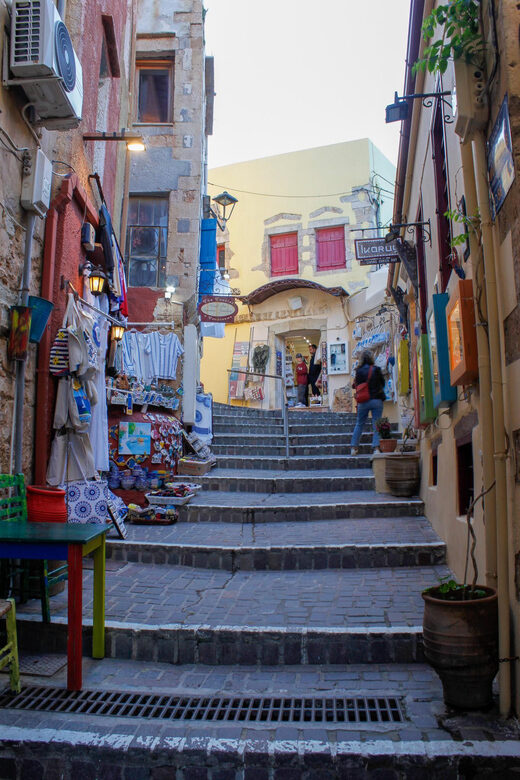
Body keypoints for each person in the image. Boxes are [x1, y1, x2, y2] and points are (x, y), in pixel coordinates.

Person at [350, 349, 386, 455]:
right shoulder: (376, 369)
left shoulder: (358, 371)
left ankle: (354, 447)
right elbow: (382, 384)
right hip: (376, 400)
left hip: (363, 400)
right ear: (371, 358)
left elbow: (356, 385)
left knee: (359, 424)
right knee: (376, 423)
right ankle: (376, 448)